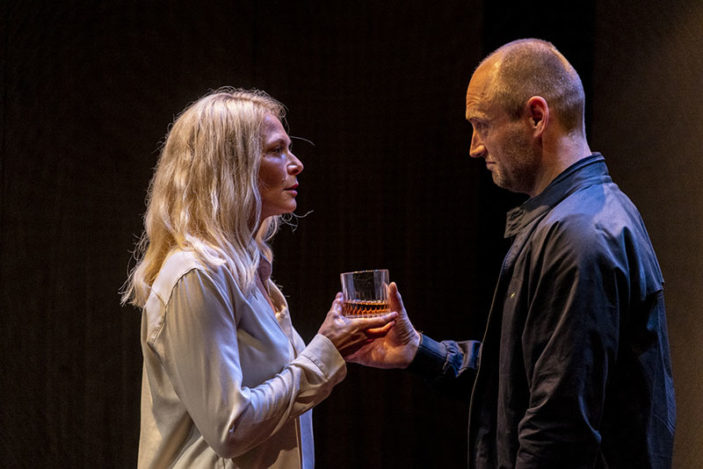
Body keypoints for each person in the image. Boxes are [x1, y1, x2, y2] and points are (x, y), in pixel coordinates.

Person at [349, 39, 676, 468]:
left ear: (537, 117)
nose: (475, 147)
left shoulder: (578, 237)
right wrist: (418, 350)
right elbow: (526, 373)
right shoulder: (575, 217)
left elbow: (558, 433)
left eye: (481, 125)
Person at [121, 88, 396, 468]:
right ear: (229, 166)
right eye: (276, 150)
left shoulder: (248, 273)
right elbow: (229, 428)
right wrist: (323, 354)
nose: (296, 163)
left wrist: (339, 346)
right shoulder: (196, 275)